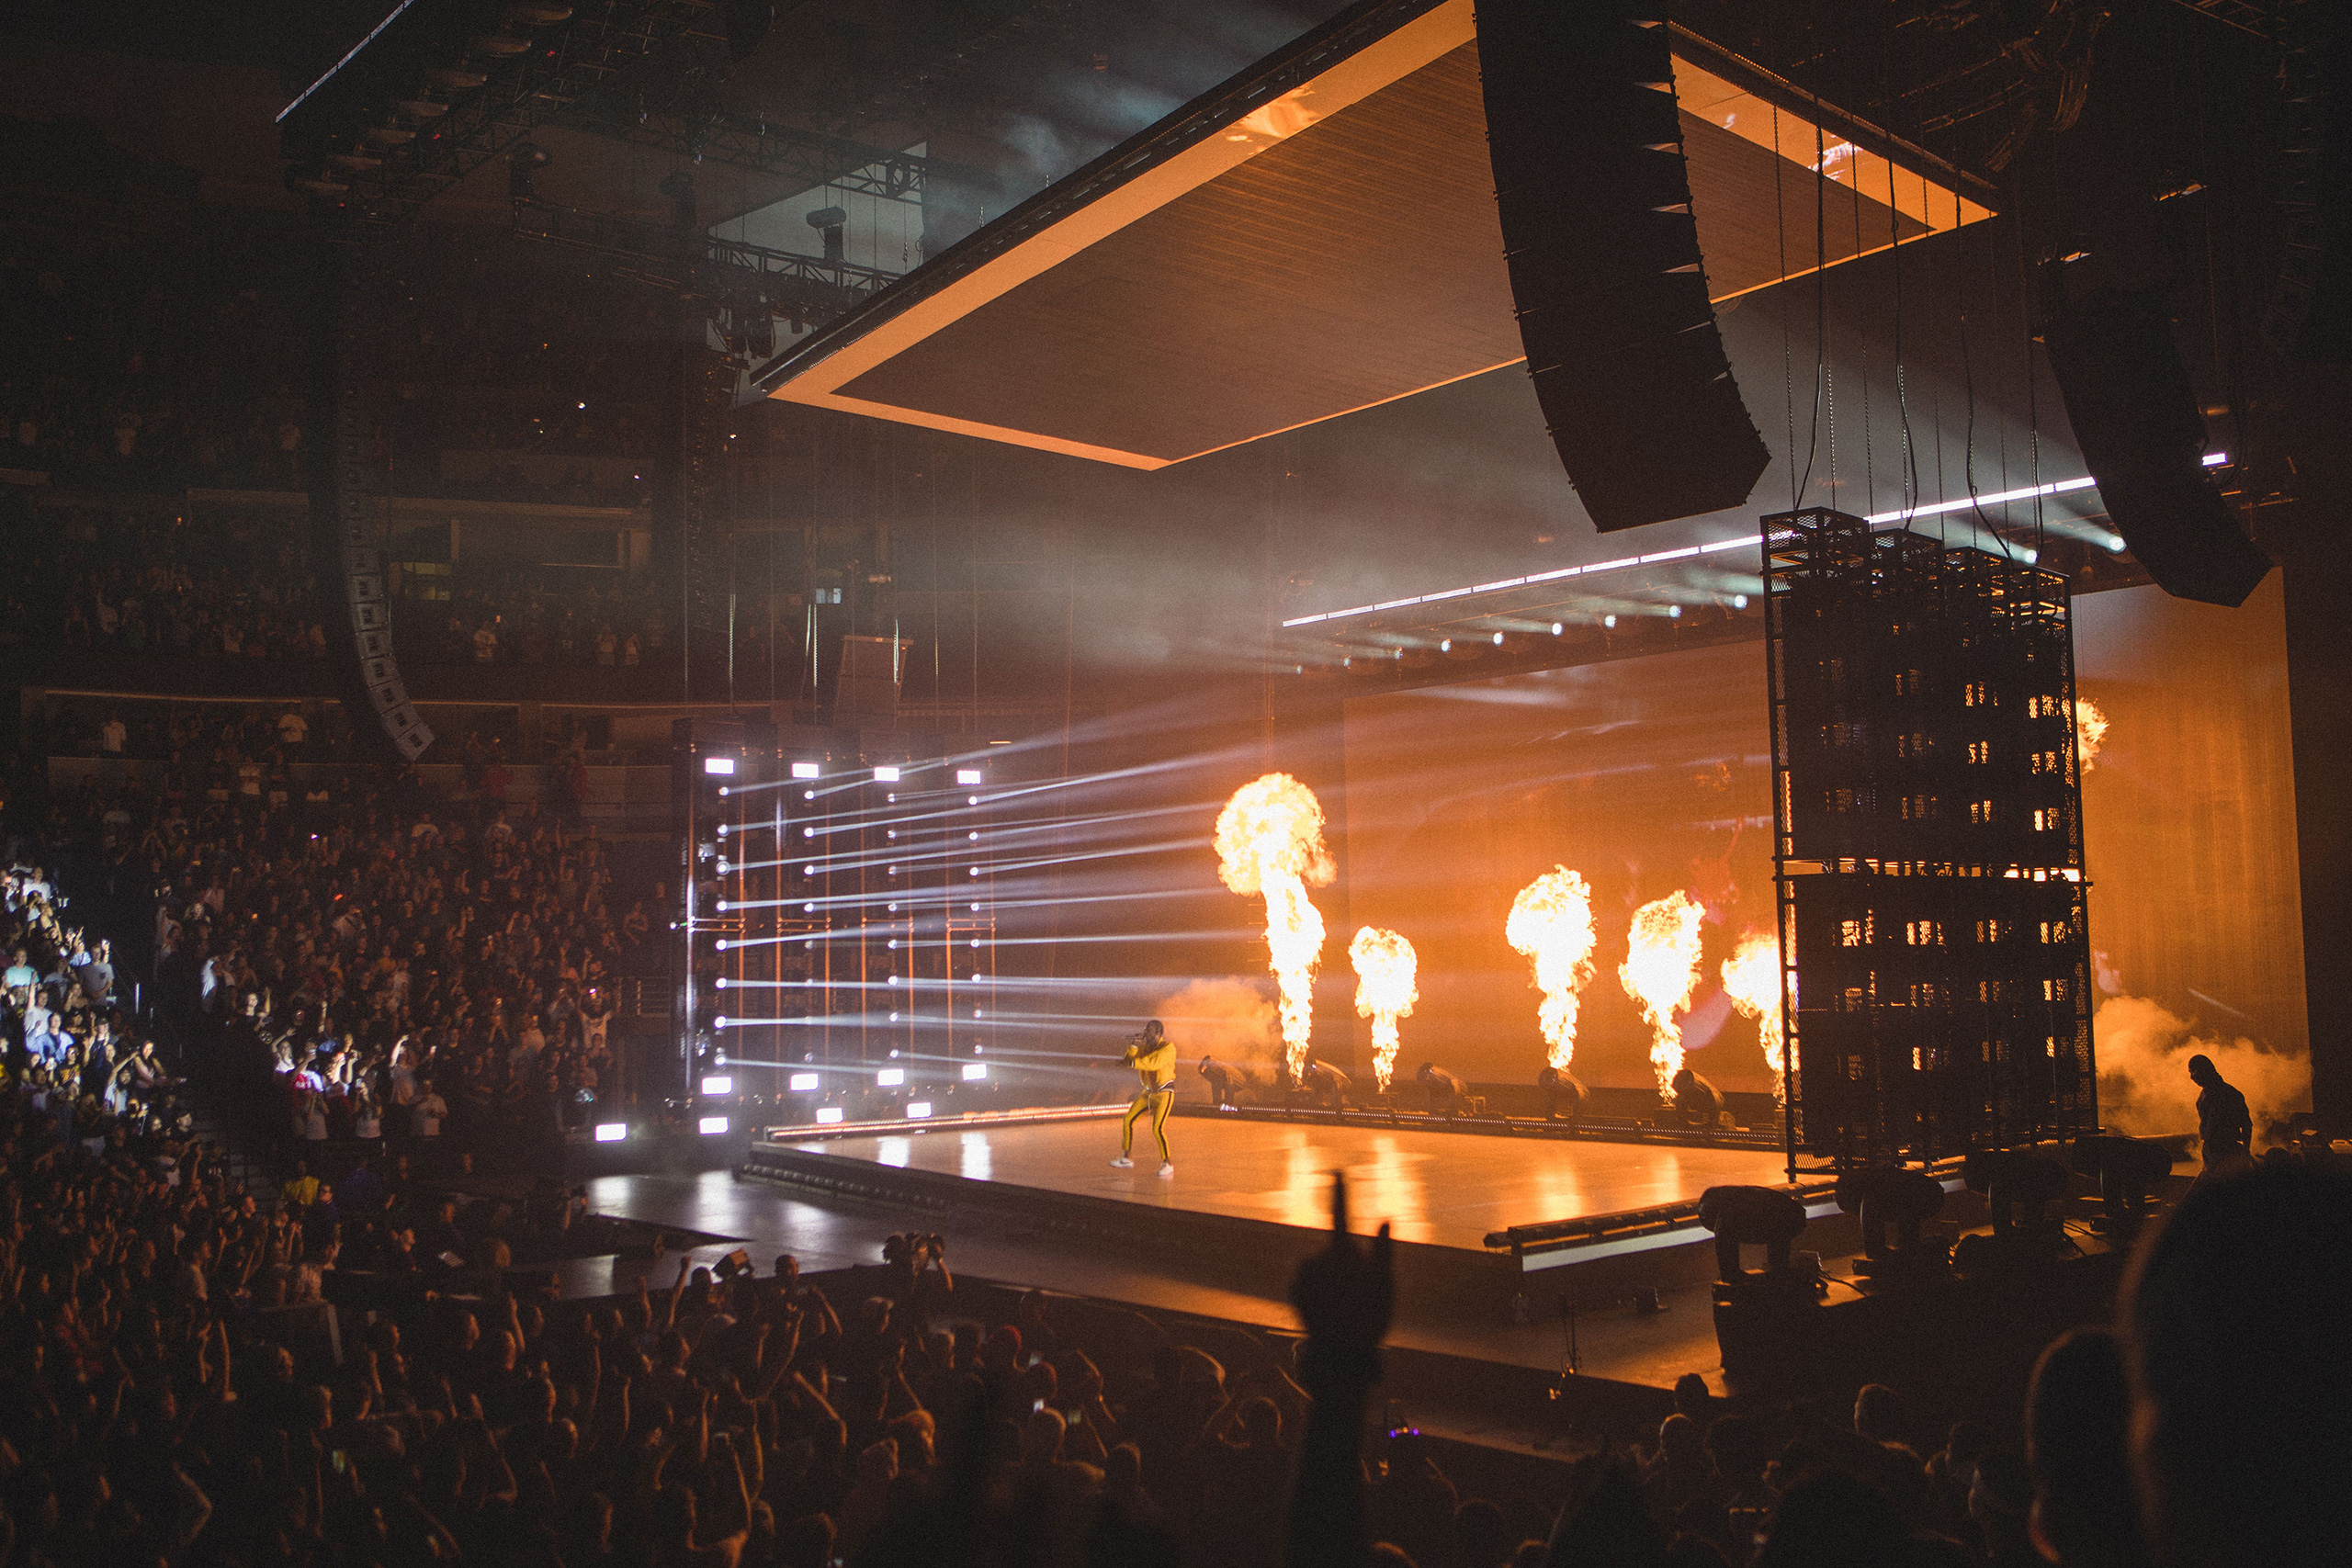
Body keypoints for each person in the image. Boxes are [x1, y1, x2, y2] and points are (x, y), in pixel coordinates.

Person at [1111, 1019, 1177, 1178]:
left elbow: (1153, 1063)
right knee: (1128, 1120)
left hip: (1164, 1093)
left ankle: (1167, 1163)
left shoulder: (1168, 1048)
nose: (1146, 1033)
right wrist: (1133, 1046)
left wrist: (1132, 1063)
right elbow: (1129, 1059)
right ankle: (1126, 1157)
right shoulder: (1145, 1048)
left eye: (1149, 1030)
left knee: (1157, 1128)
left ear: (1158, 1033)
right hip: (1148, 1093)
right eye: (1146, 1029)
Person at [2186, 1054, 2251, 1173]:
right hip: (2211, 1154)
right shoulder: (2204, 1096)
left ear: (2205, 1070)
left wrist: (2246, 1152)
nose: (2191, 1077)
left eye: (2193, 1071)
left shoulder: (2229, 1094)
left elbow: (2246, 1125)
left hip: (2226, 1154)